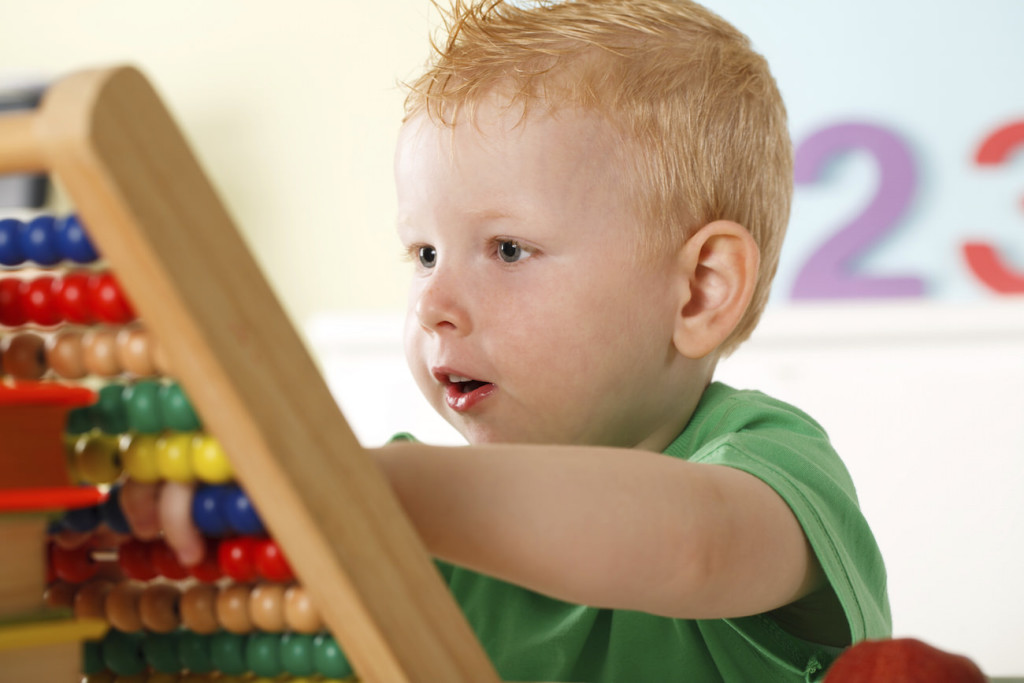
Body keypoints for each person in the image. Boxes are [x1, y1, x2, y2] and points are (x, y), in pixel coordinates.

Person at [122, 1, 891, 680]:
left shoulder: (767, 465)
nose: (433, 304)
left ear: (699, 289)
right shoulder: (421, 531)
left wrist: (361, 489)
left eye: (508, 249)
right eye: (422, 254)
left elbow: (695, 546)